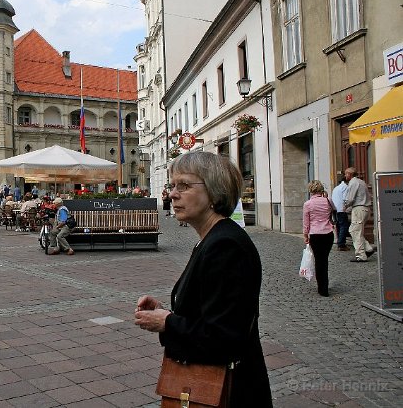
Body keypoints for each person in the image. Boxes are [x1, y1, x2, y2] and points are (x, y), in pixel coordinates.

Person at [134, 152, 272, 408]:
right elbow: (211, 310)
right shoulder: (211, 239)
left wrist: (168, 323)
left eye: (184, 185)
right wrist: (165, 312)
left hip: (230, 392)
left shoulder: (225, 245)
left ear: (214, 192)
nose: (173, 194)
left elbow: (223, 337)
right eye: (172, 186)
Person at [302, 180, 335, 297]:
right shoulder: (328, 200)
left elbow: (306, 223)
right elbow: (333, 210)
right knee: (324, 260)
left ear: (310, 190)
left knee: (319, 260)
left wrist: (305, 235)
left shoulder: (308, 204)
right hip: (328, 233)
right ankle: (324, 286)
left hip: (315, 234)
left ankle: (322, 287)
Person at [343, 167, 375, 262]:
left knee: (355, 231)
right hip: (365, 208)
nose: (345, 176)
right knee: (355, 230)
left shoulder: (353, 183)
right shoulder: (362, 182)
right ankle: (368, 248)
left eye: (346, 174)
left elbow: (350, 198)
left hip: (359, 208)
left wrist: (345, 205)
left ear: (349, 174)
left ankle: (361, 255)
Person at [331, 175, 350, 251]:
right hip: (341, 209)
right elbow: (346, 199)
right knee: (343, 226)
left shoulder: (336, 188)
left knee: (338, 225)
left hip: (335, 209)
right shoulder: (345, 187)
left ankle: (339, 241)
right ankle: (341, 244)